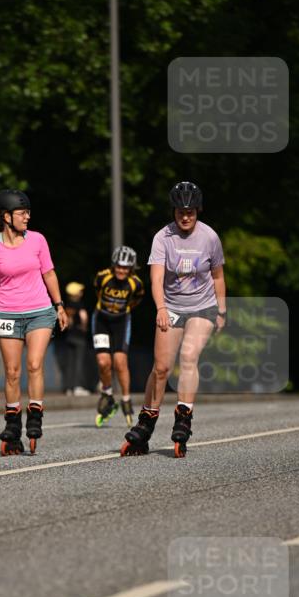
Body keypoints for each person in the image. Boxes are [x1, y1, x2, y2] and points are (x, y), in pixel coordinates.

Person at [121, 181, 227, 458]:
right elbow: (156, 278)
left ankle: (183, 419)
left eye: (190, 211)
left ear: (198, 211)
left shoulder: (210, 237)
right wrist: (161, 308)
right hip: (172, 307)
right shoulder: (162, 238)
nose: (185, 216)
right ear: (174, 211)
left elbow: (217, 276)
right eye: (181, 211)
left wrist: (222, 310)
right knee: (161, 368)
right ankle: (146, 424)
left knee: (189, 357)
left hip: (203, 307)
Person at [0, 188, 69, 455]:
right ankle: (13, 426)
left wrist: (59, 305)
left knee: (34, 363)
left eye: (28, 212)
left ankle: (36, 415)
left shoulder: (38, 240)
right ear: (6, 217)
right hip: (7, 314)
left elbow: (49, 273)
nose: (27, 217)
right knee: (12, 372)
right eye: (22, 213)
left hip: (40, 311)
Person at [91, 246, 144, 426]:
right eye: (119, 267)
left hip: (122, 321)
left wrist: (119, 309)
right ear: (114, 266)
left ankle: (126, 399)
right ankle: (107, 392)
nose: (121, 270)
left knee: (120, 362)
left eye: (126, 268)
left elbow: (137, 300)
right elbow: (96, 291)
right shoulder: (102, 277)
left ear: (131, 268)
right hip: (102, 319)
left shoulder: (136, 284)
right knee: (103, 362)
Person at [55, 281, 90, 394]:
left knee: (69, 362)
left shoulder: (66, 305)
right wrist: (84, 327)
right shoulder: (79, 304)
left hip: (69, 336)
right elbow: (83, 317)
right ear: (75, 293)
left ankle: (69, 388)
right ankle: (78, 386)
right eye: (79, 291)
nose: (81, 293)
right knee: (79, 362)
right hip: (79, 336)